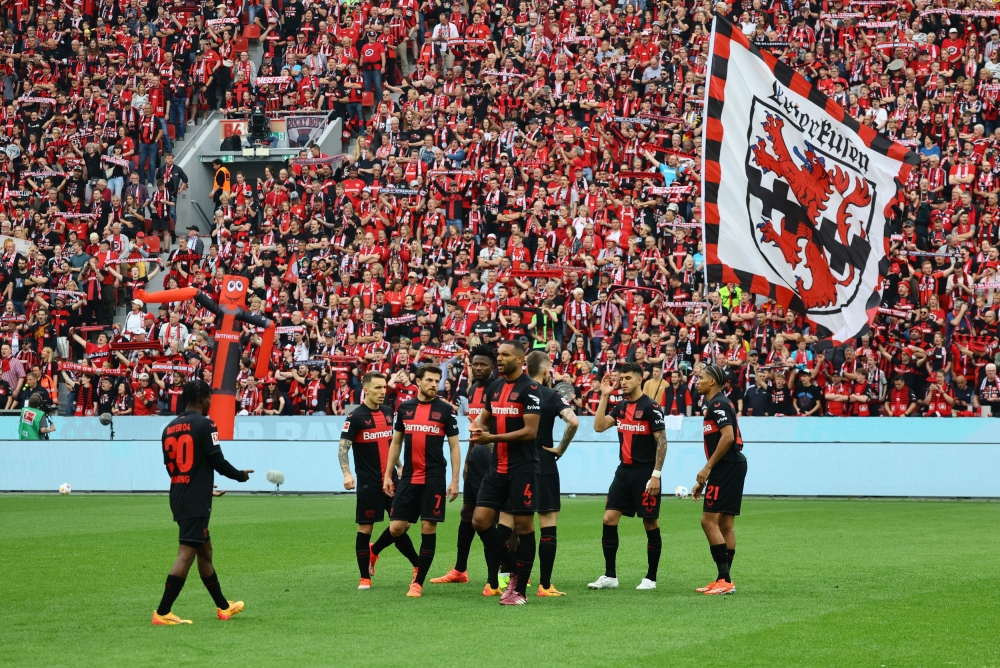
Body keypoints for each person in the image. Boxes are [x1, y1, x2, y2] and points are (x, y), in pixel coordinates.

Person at [152, 380, 253, 625]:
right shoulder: (206, 424)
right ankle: (163, 612)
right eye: (209, 398)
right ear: (202, 398)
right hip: (194, 501)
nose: (210, 403)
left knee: (204, 551)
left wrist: (203, 487)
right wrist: (240, 475)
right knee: (186, 553)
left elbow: (172, 468)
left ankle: (223, 606)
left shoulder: (169, 428)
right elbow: (217, 461)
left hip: (179, 495)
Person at [369, 365, 461, 597]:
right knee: (397, 527)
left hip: (434, 478)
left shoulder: (445, 410)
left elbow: (454, 446)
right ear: (417, 381)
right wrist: (388, 475)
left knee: (428, 527)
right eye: (429, 380)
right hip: (409, 477)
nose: (434, 384)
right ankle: (375, 549)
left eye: (437, 380)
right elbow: (396, 442)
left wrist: (455, 480)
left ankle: (417, 583)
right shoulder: (405, 408)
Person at [469, 340, 543, 606]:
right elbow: (484, 418)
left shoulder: (531, 390)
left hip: (522, 469)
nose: (499, 359)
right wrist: (476, 427)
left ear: (520, 358)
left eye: (505, 355)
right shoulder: (495, 387)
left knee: (523, 528)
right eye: (498, 354)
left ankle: (519, 591)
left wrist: (492, 437)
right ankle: (514, 571)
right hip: (496, 467)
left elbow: (530, 431)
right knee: (480, 521)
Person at [588, 362, 667, 591]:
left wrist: (656, 475)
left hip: (645, 473)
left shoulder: (651, 407)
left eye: (628, 378)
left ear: (639, 380)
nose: (623, 382)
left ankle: (651, 578)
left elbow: (661, 441)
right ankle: (610, 575)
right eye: (621, 378)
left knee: (650, 522)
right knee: (608, 519)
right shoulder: (621, 407)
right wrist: (604, 396)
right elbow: (599, 426)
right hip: (623, 472)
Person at [430, 345, 497, 592]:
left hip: (497, 461)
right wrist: (468, 461)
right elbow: (474, 430)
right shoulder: (472, 389)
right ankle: (460, 570)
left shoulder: (499, 389)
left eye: (483, 364)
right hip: (477, 460)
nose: (478, 368)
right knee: (467, 514)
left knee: (495, 518)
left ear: (493, 367)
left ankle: (502, 573)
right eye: (475, 364)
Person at [340, 372, 404, 590]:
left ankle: (375, 551)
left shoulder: (388, 413)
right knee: (365, 528)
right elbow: (343, 449)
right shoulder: (354, 416)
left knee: (400, 524)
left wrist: (399, 466)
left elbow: (390, 445)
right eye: (377, 388)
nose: (383, 392)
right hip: (369, 482)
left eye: (384, 387)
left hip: (392, 480)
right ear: (365, 390)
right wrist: (347, 474)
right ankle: (364, 578)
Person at [525, 349, 579, 596]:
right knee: (547, 524)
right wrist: (560, 449)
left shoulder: (515, 393)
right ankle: (545, 585)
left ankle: (510, 580)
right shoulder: (551, 395)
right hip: (544, 464)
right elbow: (573, 421)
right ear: (546, 370)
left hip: (516, 465)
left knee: (516, 524)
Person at [692, 365, 748, 596]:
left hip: (726, 467)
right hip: (729, 467)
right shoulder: (717, 404)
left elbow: (728, 437)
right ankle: (723, 579)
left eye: (701, 378)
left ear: (713, 381)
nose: (697, 381)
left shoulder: (718, 404)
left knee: (708, 522)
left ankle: (725, 579)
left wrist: (707, 468)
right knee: (725, 524)